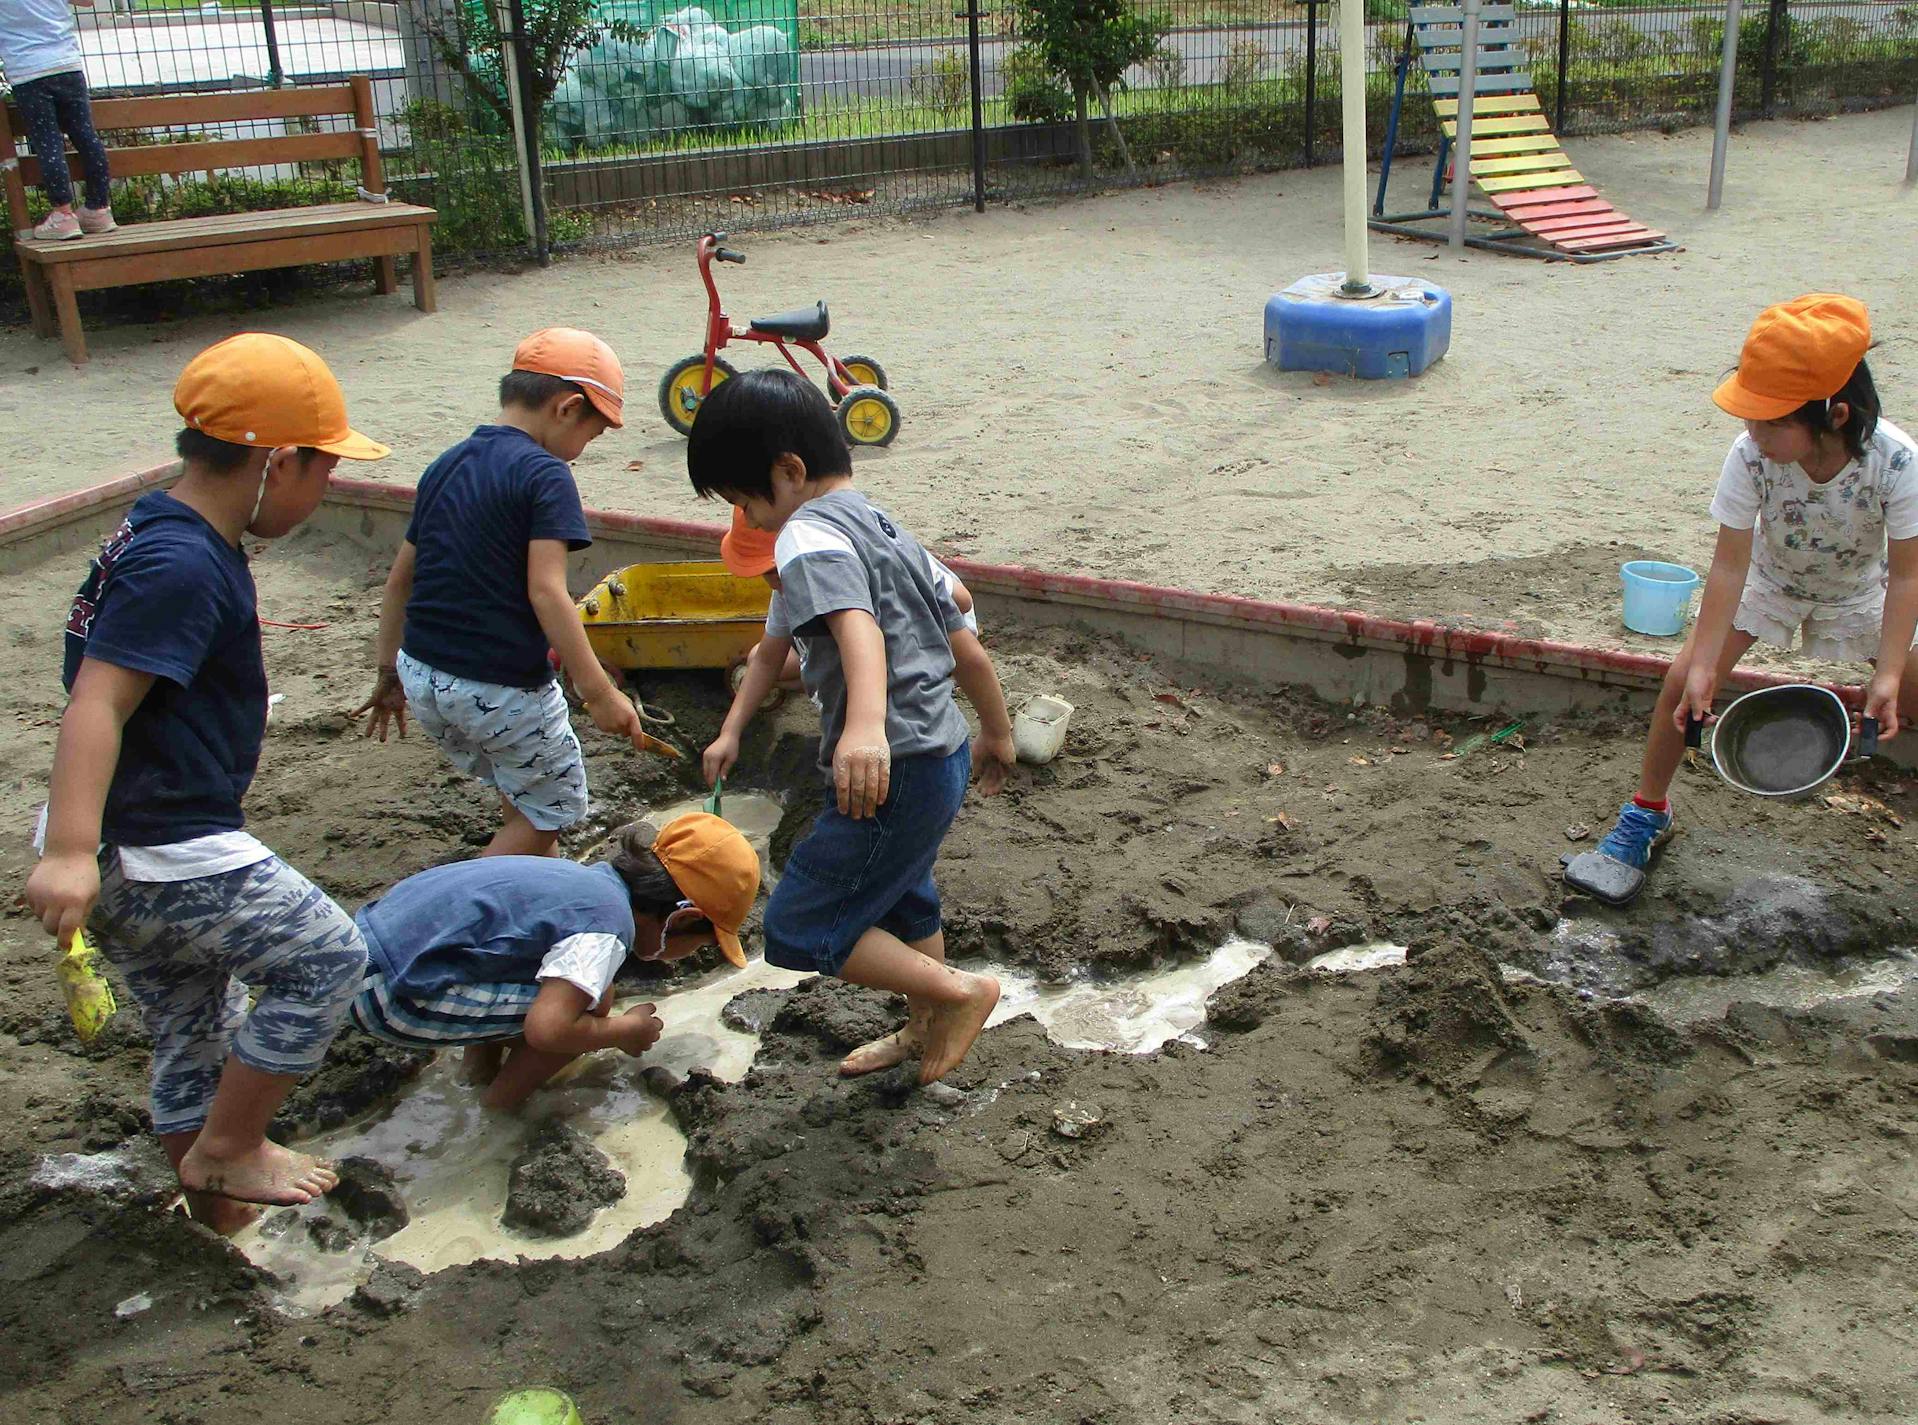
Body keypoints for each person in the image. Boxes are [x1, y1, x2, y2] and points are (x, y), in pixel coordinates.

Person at [22, 334, 388, 1231]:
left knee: (194, 1019)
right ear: (274, 462)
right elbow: (97, 701)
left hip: (135, 840)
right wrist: (71, 850)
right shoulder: (182, 565)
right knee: (329, 956)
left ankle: (212, 1216)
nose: (327, 489)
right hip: (154, 843)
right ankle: (229, 1150)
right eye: (324, 470)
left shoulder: (164, 526)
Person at [692, 368, 1016, 1085]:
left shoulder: (805, 534)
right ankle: (924, 1023)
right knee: (903, 894)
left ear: (788, 471)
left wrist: (864, 725)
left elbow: (856, 625)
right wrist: (996, 728)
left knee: (800, 926)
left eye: (746, 501)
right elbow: (959, 609)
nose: (751, 519)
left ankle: (963, 993)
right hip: (943, 750)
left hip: (894, 762)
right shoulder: (878, 523)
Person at [1566, 293, 1918, 906]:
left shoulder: (1897, 462)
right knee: (1683, 680)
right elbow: (1728, 565)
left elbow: (1910, 577)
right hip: (1770, 578)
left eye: (1771, 421)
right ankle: (1647, 813)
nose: (1752, 433)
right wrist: (1703, 666)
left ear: (1835, 415)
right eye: (1749, 417)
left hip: (1863, 587)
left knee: (1911, 689)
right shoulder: (1751, 456)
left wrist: (1887, 672)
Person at [354, 329, 652, 857]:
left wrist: (387, 674)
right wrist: (599, 692)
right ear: (567, 408)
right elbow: (546, 591)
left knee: (525, 788)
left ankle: (535, 892)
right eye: (593, 434)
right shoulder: (545, 475)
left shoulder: (446, 464)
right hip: (498, 689)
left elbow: (400, 579)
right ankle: (458, 908)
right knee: (550, 815)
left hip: (425, 676)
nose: (585, 450)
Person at [347, 814, 760, 1109]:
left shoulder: (587, 882)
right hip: (392, 996)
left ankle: (476, 1073)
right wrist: (620, 1031)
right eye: (702, 945)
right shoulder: (607, 927)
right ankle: (495, 1112)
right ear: (682, 918)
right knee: (587, 1011)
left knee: (568, 988)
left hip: (357, 955)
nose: (689, 956)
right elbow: (550, 1029)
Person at [719, 504, 977, 693]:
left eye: (776, 571)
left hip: (921, 634)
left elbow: (961, 601)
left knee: (859, 658)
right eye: (765, 574)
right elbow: (767, 658)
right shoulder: (791, 587)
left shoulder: (864, 556)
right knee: (762, 660)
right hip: (862, 637)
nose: (775, 582)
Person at [1, 0, 115, 240]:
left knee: (48, 142)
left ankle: (63, 214)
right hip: (68, 65)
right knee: (86, 136)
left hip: (28, 71)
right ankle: (98, 207)